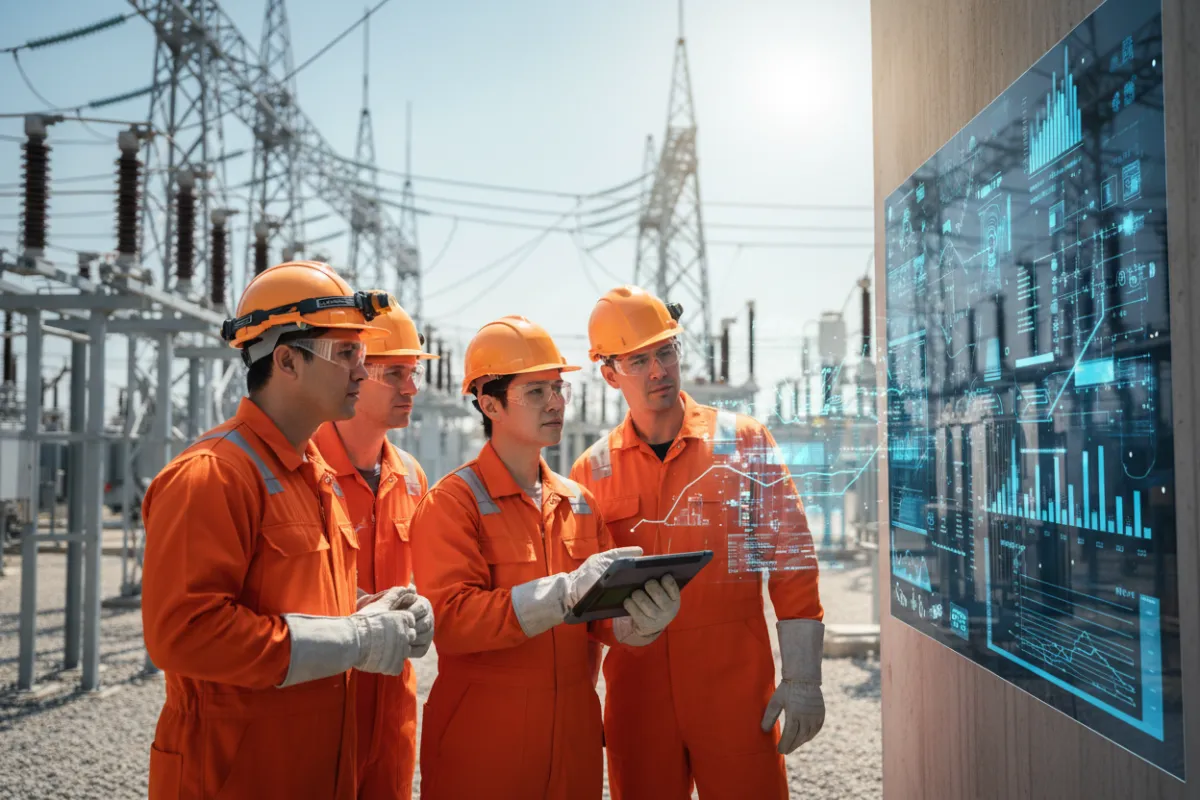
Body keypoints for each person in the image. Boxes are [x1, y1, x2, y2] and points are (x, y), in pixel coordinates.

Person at [141, 261, 432, 800]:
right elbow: (183, 634)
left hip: (319, 772)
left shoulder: (314, 477)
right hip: (234, 776)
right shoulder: (213, 475)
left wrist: (373, 610)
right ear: (287, 360)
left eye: (363, 356)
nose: (362, 372)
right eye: (347, 354)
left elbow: (304, 606)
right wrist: (353, 638)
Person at [409, 315, 682, 799]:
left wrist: (641, 623)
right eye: (536, 392)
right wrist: (564, 592)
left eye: (558, 388)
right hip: (484, 747)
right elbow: (450, 621)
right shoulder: (453, 503)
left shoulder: (578, 501)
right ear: (489, 404)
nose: (555, 402)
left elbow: (600, 618)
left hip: (573, 744)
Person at [571, 285, 825, 800]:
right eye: (638, 360)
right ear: (608, 372)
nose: (658, 370)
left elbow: (792, 558)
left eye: (665, 351)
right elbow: (581, 600)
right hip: (637, 706)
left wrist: (803, 678)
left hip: (735, 698)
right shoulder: (590, 472)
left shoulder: (745, 441)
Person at [312, 297, 437, 800]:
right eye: (395, 373)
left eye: (414, 373)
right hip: (319, 703)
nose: (412, 388)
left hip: (393, 708)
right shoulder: (304, 465)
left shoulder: (411, 475)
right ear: (355, 371)